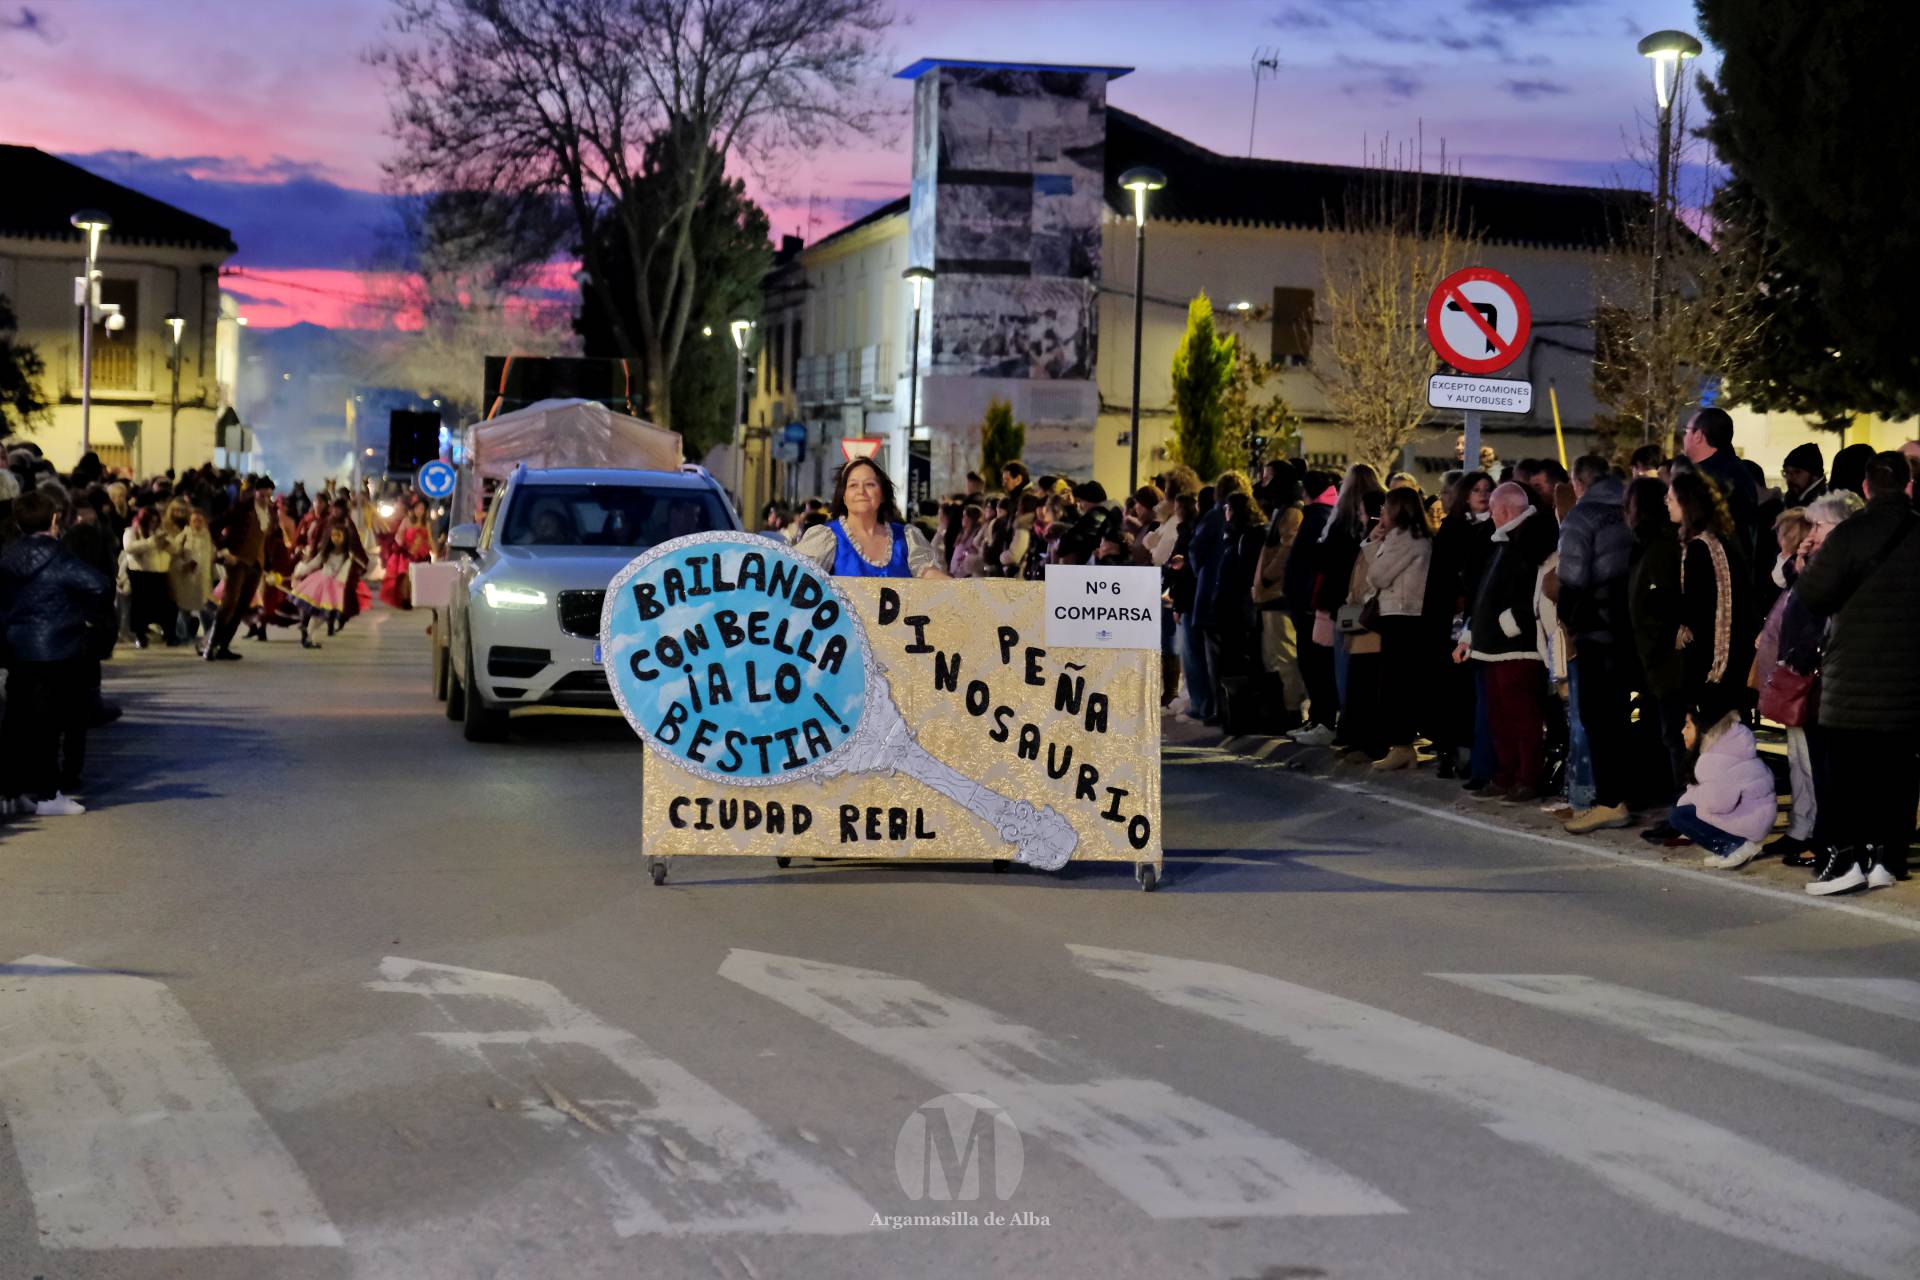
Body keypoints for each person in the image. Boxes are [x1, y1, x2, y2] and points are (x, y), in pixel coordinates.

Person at [1791, 451, 1919, 894]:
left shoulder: (1850, 533)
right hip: (1908, 679)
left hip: (1852, 680)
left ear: (1866, 488)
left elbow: (1814, 596)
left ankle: (1847, 862)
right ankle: (1887, 860)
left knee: (1847, 776)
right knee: (1897, 774)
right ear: (1907, 485)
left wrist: (1805, 566)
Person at [0, 491, 113, 815]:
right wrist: (79, 612)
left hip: (16, 645)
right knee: (49, 724)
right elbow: (98, 585)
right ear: (53, 520)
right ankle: (48, 794)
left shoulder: (8, 554)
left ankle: (10, 792)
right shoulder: (59, 555)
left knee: (16, 721)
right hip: (56, 647)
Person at [1454, 482, 1556, 801]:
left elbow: (1530, 591)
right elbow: (1486, 595)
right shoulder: (1504, 543)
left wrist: (1508, 623)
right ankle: (1506, 773)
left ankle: (1527, 777)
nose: (1490, 515)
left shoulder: (1528, 541)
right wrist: (1472, 634)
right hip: (1494, 647)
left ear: (1504, 511)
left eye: (1493, 510)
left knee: (1522, 716)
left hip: (1517, 648)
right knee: (1500, 717)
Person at [1556, 455, 1636, 834]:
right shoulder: (1630, 509)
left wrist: (1568, 618)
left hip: (1596, 627)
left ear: (1578, 482)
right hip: (1630, 626)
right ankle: (1625, 793)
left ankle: (1609, 801)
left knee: (1597, 715)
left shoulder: (1581, 517)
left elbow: (1571, 577)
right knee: (1620, 713)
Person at [1624, 476, 1688, 825]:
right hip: (1653, 660)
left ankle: (1683, 810)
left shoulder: (1661, 547)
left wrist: (1654, 644)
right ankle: (1667, 799)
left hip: (1666, 660)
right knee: (1660, 732)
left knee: (1675, 735)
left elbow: (1662, 604)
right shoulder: (1646, 545)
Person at [1423, 471, 1494, 776]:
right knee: (1449, 687)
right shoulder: (1453, 527)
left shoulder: (1495, 528)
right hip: (1449, 621)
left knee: (1471, 689)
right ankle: (1449, 750)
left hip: (1479, 619)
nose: (1483, 495)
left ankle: (1471, 751)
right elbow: (1439, 575)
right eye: (1476, 490)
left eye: (1487, 489)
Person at [1667, 470, 1755, 717]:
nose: (1666, 503)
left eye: (1671, 499)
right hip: (1733, 651)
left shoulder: (1699, 549)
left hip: (1712, 658)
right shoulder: (1720, 540)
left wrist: (1662, 602)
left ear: (1687, 505)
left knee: (1714, 724)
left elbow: (1698, 607)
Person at [1362, 488, 1432, 770]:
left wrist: (1378, 543)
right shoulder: (1409, 537)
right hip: (1401, 614)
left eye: (1386, 507)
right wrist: (1375, 540)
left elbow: (1377, 575)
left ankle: (1402, 745)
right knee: (1396, 681)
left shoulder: (1406, 538)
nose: (1381, 512)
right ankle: (1400, 745)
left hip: (1403, 615)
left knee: (1396, 683)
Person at [1670, 689, 1778, 870]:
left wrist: (1690, 803)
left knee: (1679, 816)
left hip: (1750, 821)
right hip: (1758, 818)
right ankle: (1734, 843)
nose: (1682, 731)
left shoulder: (1714, 759)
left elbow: (1717, 804)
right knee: (1683, 808)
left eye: (1688, 726)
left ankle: (1733, 846)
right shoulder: (1729, 746)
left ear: (1703, 729)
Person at [794, 457, 943, 578]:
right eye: (853, 485)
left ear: (883, 495)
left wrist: (956, 589)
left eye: (870, 484)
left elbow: (932, 577)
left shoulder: (907, 538)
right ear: (843, 496)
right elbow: (794, 580)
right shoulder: (826, 538)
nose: (861, 491)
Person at [207, 476, 285, 661]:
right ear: (255, 492)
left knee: (242, 606)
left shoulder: (271, 512)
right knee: (229, 604)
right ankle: (210, 645)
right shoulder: (243, 507)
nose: (265, 500)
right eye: (262, 496)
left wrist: (269, 565)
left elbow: (268, 539)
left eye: (268, 496)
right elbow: (214, 525)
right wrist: (224, 550)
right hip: (238, 561)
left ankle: (224, 646)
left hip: (257, 565)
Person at [1679, 407, 1758, 550]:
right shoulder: (1735, 469)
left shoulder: (1709, 478)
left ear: (1698, 436)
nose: (1684, 437)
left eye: (1686, 431)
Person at [288, 522, 355, 649]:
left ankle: (308, 633)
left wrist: (340, 582)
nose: (336, 538)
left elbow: (344, 571)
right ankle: (310, 637)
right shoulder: (326, 552)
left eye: (339, 535)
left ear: (345, 537)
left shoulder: (347, 555)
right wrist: (300, 572)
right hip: (321, 583)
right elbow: (314, 563)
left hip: (335, 587)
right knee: (320, 614)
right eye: (334, 535)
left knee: (324, 615)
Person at [119, 503, 173, 648]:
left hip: (159, 571)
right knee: (140, 606)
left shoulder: (160, 531)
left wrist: (168, 544)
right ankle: (140, 634)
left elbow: (172, 549)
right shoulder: (132, 531)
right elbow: (129, 547)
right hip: (140, 572)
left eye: (156, 520)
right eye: (151, 520)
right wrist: (150, 542)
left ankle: (165, 632)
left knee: (162, 604)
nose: (153, 523)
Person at [166, 502, 215, 647]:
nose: (197, 523)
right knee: (184, 608)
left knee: (205, 607)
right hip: (187, 579)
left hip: (203, 579)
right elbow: (174, 554)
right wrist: (184, 565)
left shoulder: (209, 537)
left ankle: (212, 635)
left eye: (200, 520)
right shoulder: (184, 536)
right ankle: (183, 636)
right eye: (194, 521)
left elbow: (213, 555)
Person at [380, 502, 434, 609]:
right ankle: (406, 599)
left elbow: (430, 539)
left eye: (422, 509)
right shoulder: (407, 521)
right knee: (405, 576)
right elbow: (399, 537)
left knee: (417, 578)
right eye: (418, 508)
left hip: (422, 555)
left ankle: (415, 598)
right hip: (407, 553)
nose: (419, 511)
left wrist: (433, 548)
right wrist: (404, 548)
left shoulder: (427, 524)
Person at [1781, 441, 1827, 507]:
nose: (1789, 478)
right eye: (1786, 472)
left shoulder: (1826, 503)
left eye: (1797, 472)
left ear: (1815, 474)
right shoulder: (1792, 498)